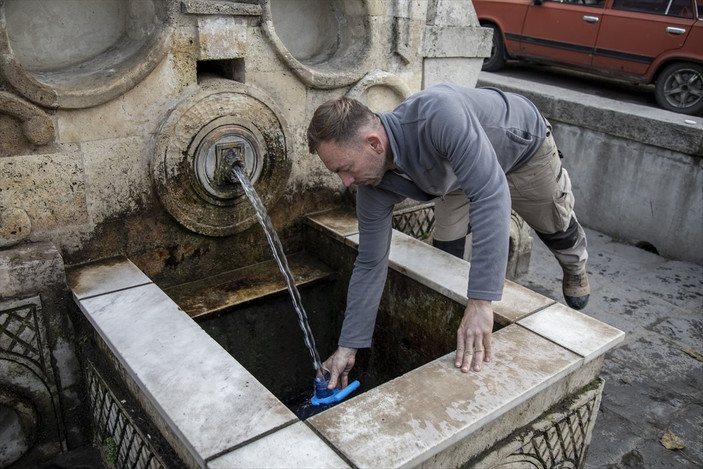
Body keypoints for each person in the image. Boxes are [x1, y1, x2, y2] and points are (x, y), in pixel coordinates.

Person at [306, 83, 589, 389]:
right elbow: (370, 262)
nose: (346, 182)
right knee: (446, 250)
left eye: (346, 168)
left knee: (555, 226)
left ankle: (575, 267)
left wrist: (481, 302)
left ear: (374, 144)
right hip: (455, 175)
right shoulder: (372, 186)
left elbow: (489, 194)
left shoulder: (439, 116)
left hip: (520, 148)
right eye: (337, 173)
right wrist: (349, 345)